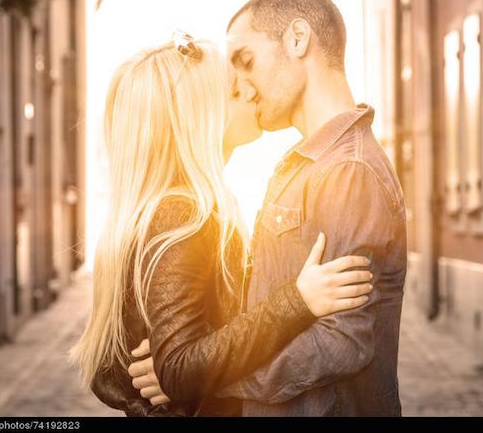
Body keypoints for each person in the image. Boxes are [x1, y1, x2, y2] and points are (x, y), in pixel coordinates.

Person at [131, 0, 408, 416]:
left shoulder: (348, 171)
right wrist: (185, 360)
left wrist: (203, 380)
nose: (241, 86)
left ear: (298, 39)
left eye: (246, 60)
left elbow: (344, 340)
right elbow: (257, 311)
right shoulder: (303, 164)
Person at [69, 31, 374, 417]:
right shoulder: (184, 216)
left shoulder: (179, 208)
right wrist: (298, 301)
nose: (249, 92)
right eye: (233, 92)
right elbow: (177, 368)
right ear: (199, 119)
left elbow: (172, 351)